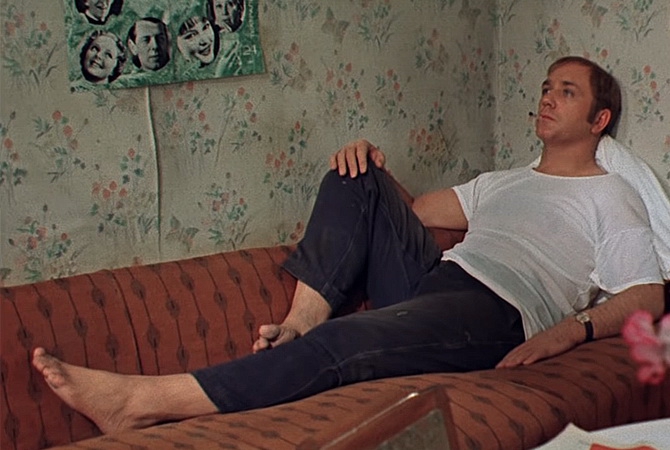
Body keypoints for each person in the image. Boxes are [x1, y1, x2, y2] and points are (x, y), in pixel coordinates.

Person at [32, 56, 666, 434]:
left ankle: (142, 403)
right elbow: (407, 213)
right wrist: (368, 163)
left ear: (599, 119)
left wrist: (568, 332)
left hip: (494, 311)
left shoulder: (609, 194)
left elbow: (646, 294)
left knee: (349, 340)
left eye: (567, 92)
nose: (548, 98)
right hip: (437, 282)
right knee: (353, 174)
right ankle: (300, 323)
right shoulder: (504, 180)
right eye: (547, 87)